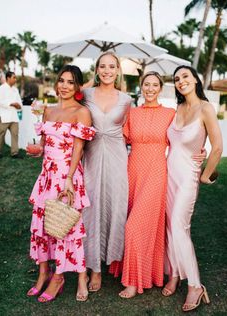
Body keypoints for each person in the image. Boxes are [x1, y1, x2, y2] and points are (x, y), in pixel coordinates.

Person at [27, 65, 95, 302]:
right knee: (42, 225)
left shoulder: (81, 112)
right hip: (46, 175)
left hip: (66, 175)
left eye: (70, 82)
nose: (64, 86)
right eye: (62, 81)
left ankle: (59, 276)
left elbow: (79, 147)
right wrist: (37, 150)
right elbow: (45, 144)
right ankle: (43, 272)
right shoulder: (49, 111)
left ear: (77, 87)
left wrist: (68, 179)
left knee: (65, 227)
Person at [162, 65, 223, 312]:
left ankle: (196, 285)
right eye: (176, 79)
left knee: (179, 225)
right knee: (169, 226)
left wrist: (205, 176)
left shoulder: (206, 108)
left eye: (185, 76)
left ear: (196, 80)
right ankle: (175, 274)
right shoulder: (176, 109)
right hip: (168, 176)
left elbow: (217, 146)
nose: (180, 81)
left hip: (188, 177)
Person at [118, 71, 175, 298]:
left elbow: (182, 140)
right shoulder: (131, 113)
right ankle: (140, 271)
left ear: (160, 88)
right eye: (146, 85)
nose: (150, 89)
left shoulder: (170, 114)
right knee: (134, 222)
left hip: (156, 172)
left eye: (154, 85)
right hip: (133, 171)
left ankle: (133, 281)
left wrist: (199, 152)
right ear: (141, 87)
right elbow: (120, 140)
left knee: (135, 225)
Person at [82, 52, 132, 292]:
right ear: (97, 69)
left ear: (118, 70)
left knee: (114, 205)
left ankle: (112, 259)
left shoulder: (126, 99)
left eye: (112, 66)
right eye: (102, 66)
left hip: (117, 157)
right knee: (91, 208)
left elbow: (134, 130)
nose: (107, 71)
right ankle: (94, 268)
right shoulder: (86, 94)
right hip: (91, 155)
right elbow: (71, 114)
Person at [0, 71, 23, 158]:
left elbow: (19, 102)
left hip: (14, 116)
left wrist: (19, 105)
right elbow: (0, 101)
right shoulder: (1, 88)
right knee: (1, 134)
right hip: (4, 116)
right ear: (8, 78)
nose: (15, 79)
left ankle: (15, 153)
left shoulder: (15, 90)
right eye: (14, 77)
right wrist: (11, 104)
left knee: (15, 134)